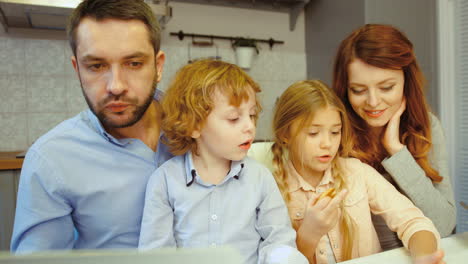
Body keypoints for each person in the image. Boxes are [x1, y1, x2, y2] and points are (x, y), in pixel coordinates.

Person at [11, 0, 172, 252]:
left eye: (134, 64)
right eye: (96, 66)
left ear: (158, 66)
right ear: (77, 69)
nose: (116, 86)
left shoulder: (204, 129)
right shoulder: (51, 160)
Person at [138, 59, 308, 264]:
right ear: (194, 126)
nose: (249, 127)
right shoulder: (164, 181)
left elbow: (279, 241)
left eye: (252, 115)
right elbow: (156, 255)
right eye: (234, 118)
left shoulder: (260, 177)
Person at [270, 80, 443, 264]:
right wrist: (308, 235)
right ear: (285, 135)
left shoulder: (357, 173)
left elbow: (413, 222)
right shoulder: (270, 191)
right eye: (313, 133)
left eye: (335, 132)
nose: (327, 144)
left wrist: (424, 257)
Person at [332, 24, 456, 250]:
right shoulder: (334, 133)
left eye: (386, 87)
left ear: (406, 82)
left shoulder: (428, 127)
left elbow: (445, 224)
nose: (373, 102)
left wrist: (397, 152)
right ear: (344, 89)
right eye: (358, 90)